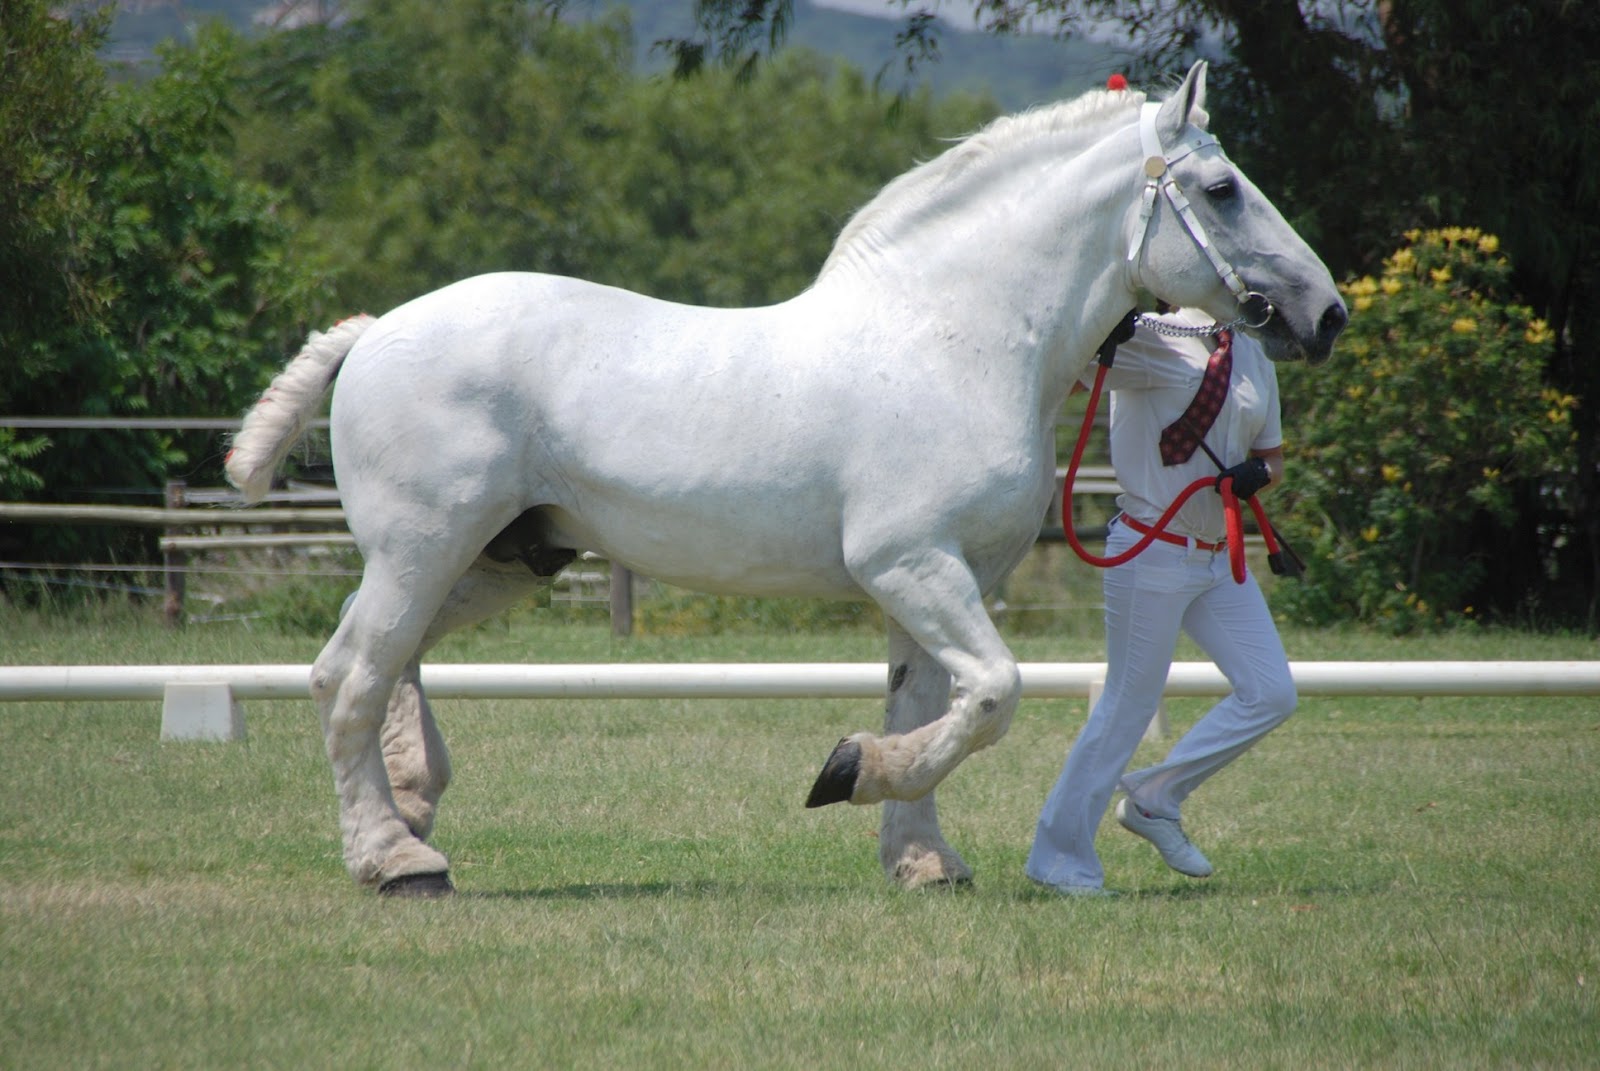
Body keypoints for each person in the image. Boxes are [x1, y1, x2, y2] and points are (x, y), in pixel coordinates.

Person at [1027, 306, 1297, 896]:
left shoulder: (1252, 352)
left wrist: (1258, 474)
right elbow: (1058, 375)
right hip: (1151, 545)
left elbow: (1272, 455)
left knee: (1272, 691)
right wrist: (1095, 332)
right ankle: (1059, 859)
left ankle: (1155, 798)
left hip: (1216, 554)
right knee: (1129, 702)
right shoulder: (1150, 333)